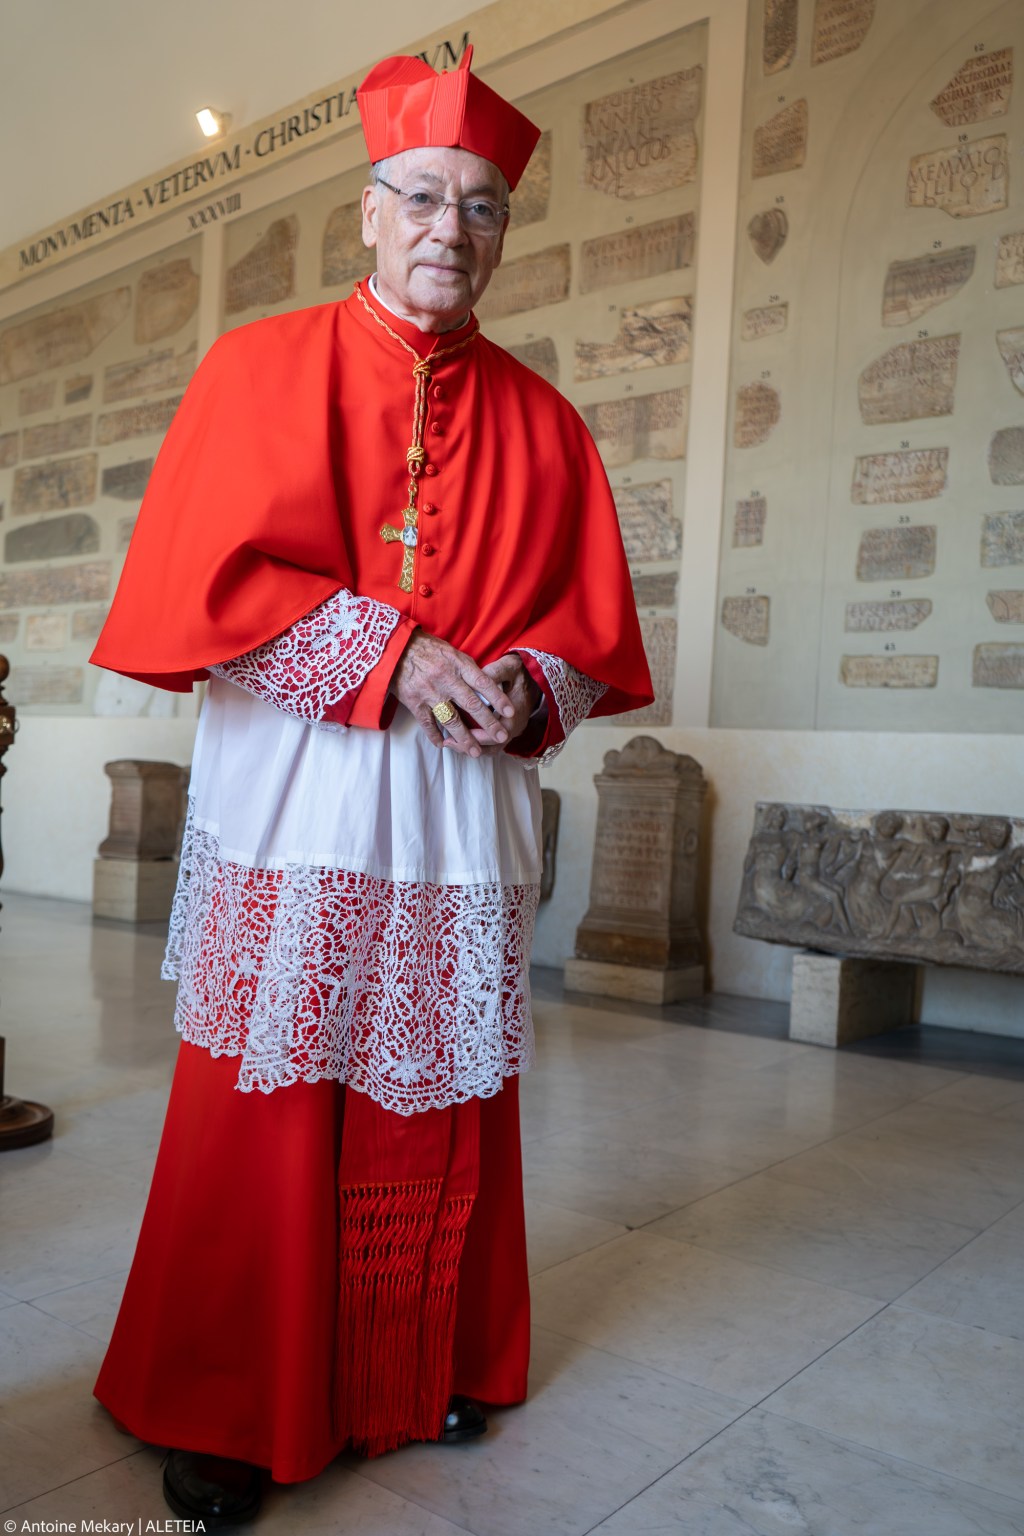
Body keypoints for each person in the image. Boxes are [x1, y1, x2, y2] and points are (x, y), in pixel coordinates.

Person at [90, 45, 652, 1528]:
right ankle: (225, 1394)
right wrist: (386, 655)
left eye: (481, 208)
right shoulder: (258, 367)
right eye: (421, 197)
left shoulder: (546, 420)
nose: (447, 231)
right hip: (300, 786)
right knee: (265, 1095)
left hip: (457, 807)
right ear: (366, 210)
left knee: (441, 1088)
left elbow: (583, 634)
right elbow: (197, 577)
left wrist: (533, 683)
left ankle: (430, 1358)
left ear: (501, 233)